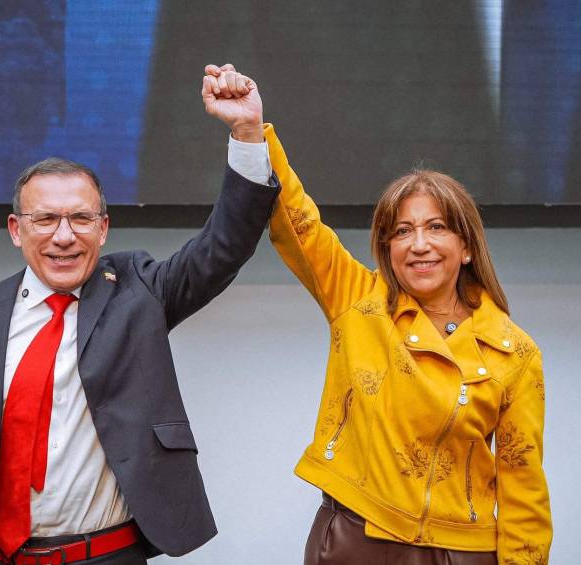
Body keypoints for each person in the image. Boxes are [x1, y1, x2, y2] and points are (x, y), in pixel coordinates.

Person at [0, 66, 276, 565]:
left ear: (104, 228)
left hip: (109, 555)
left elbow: (224, 246)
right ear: (16, 230)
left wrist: (246, 133)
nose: (64, 236)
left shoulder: (139, 291)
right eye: (45, 219)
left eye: (81, 218)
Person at [205, 66, 552, 564]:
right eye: (402, 231)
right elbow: (297, 218)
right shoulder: (357, 299)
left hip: (464, 551)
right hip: (355, 541)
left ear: (467, 247)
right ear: (386, 247)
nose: (419, 245)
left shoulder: (515, 353)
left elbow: (524, 486)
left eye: (436, 227)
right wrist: (249, 130)